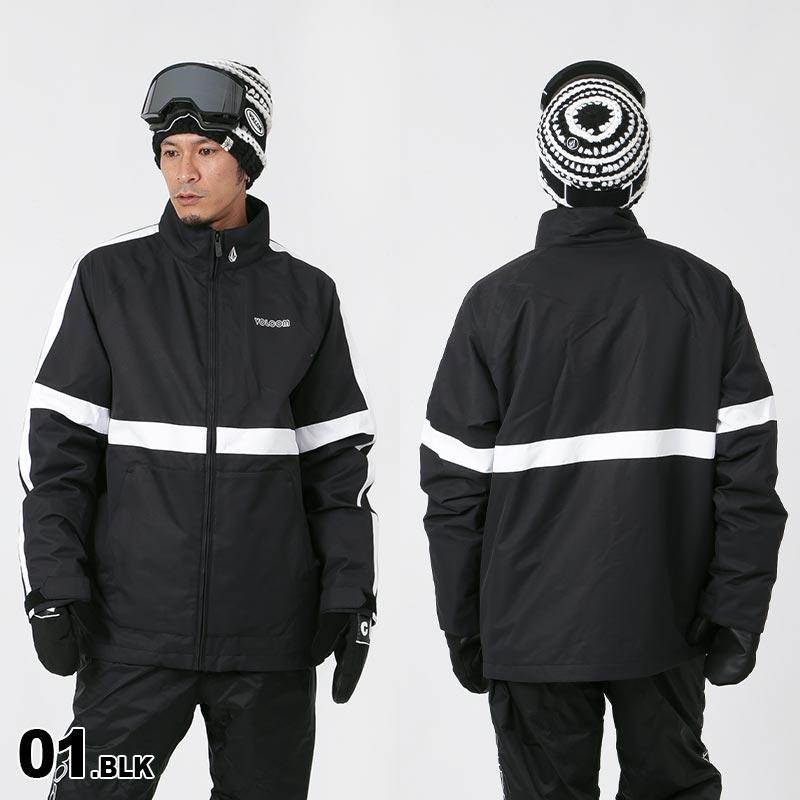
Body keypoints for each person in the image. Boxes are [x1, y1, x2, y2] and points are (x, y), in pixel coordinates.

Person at [419, 60, 787, 799]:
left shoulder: (495, 304)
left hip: (530, 628)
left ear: (548, 173)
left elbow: (453, 492)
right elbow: (748, 479)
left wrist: (462, 622)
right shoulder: (705, 295)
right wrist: (738, 612)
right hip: (666, 622)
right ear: (638, 175)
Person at [18, 59, 378, 800]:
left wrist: (352, 592)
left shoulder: (307, 296)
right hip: (130, 638)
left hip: (268, 642)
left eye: (206, 150)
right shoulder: (109, 281)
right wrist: (51, 586)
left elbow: (339, 468)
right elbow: (57, 454)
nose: (183, 173)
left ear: (247, 161)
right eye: (170, 152)